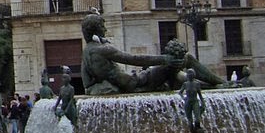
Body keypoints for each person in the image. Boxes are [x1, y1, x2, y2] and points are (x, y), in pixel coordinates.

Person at [81, 13, 224, 94]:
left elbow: (86, 81)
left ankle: (205, 87)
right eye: (102, 26)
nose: (105, 29)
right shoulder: (103, 49)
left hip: (129, 85)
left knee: (175, 76)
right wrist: (165, 59)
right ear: (95, 29)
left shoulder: (87, 52)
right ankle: (222, 83)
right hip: (139, 83)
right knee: (186, 59)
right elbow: (135, 59)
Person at [180, 68, 207, 133]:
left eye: (191, 74)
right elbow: (180, 92)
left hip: (195, 101)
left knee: (197, 118)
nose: (190, 75)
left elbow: (200, 94)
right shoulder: (185, 84)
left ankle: (198, 130)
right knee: (190, 119)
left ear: (193, 75)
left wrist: (203, 102)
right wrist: (183, 98)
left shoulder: (197, 84)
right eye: (189, 74)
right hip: (188, 102)